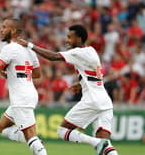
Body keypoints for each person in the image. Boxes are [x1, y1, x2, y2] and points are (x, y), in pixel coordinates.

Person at [20, 25, 118, 155]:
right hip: (105, 102)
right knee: (106, 145)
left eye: (69, 37)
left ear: (78, 38)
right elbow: (95, 75)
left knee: (63, 131)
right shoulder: (91, 51)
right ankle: (100, 143)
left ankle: (95, 142)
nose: (67, 40)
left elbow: (53, 57)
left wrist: (29, 45)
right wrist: (81, 83)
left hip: (92, 100)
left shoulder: (79, 52)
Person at [0, 18, 47, 155]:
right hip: (29, 93)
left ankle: (36, 145)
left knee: (30, 134)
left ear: (13, 31)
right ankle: (35, 143)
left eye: (4, 27)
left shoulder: (9, 48)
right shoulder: (28, 49)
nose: (1, 30)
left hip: (21, 96)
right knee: (3, 126)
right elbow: (36, 74)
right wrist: (12, 73)